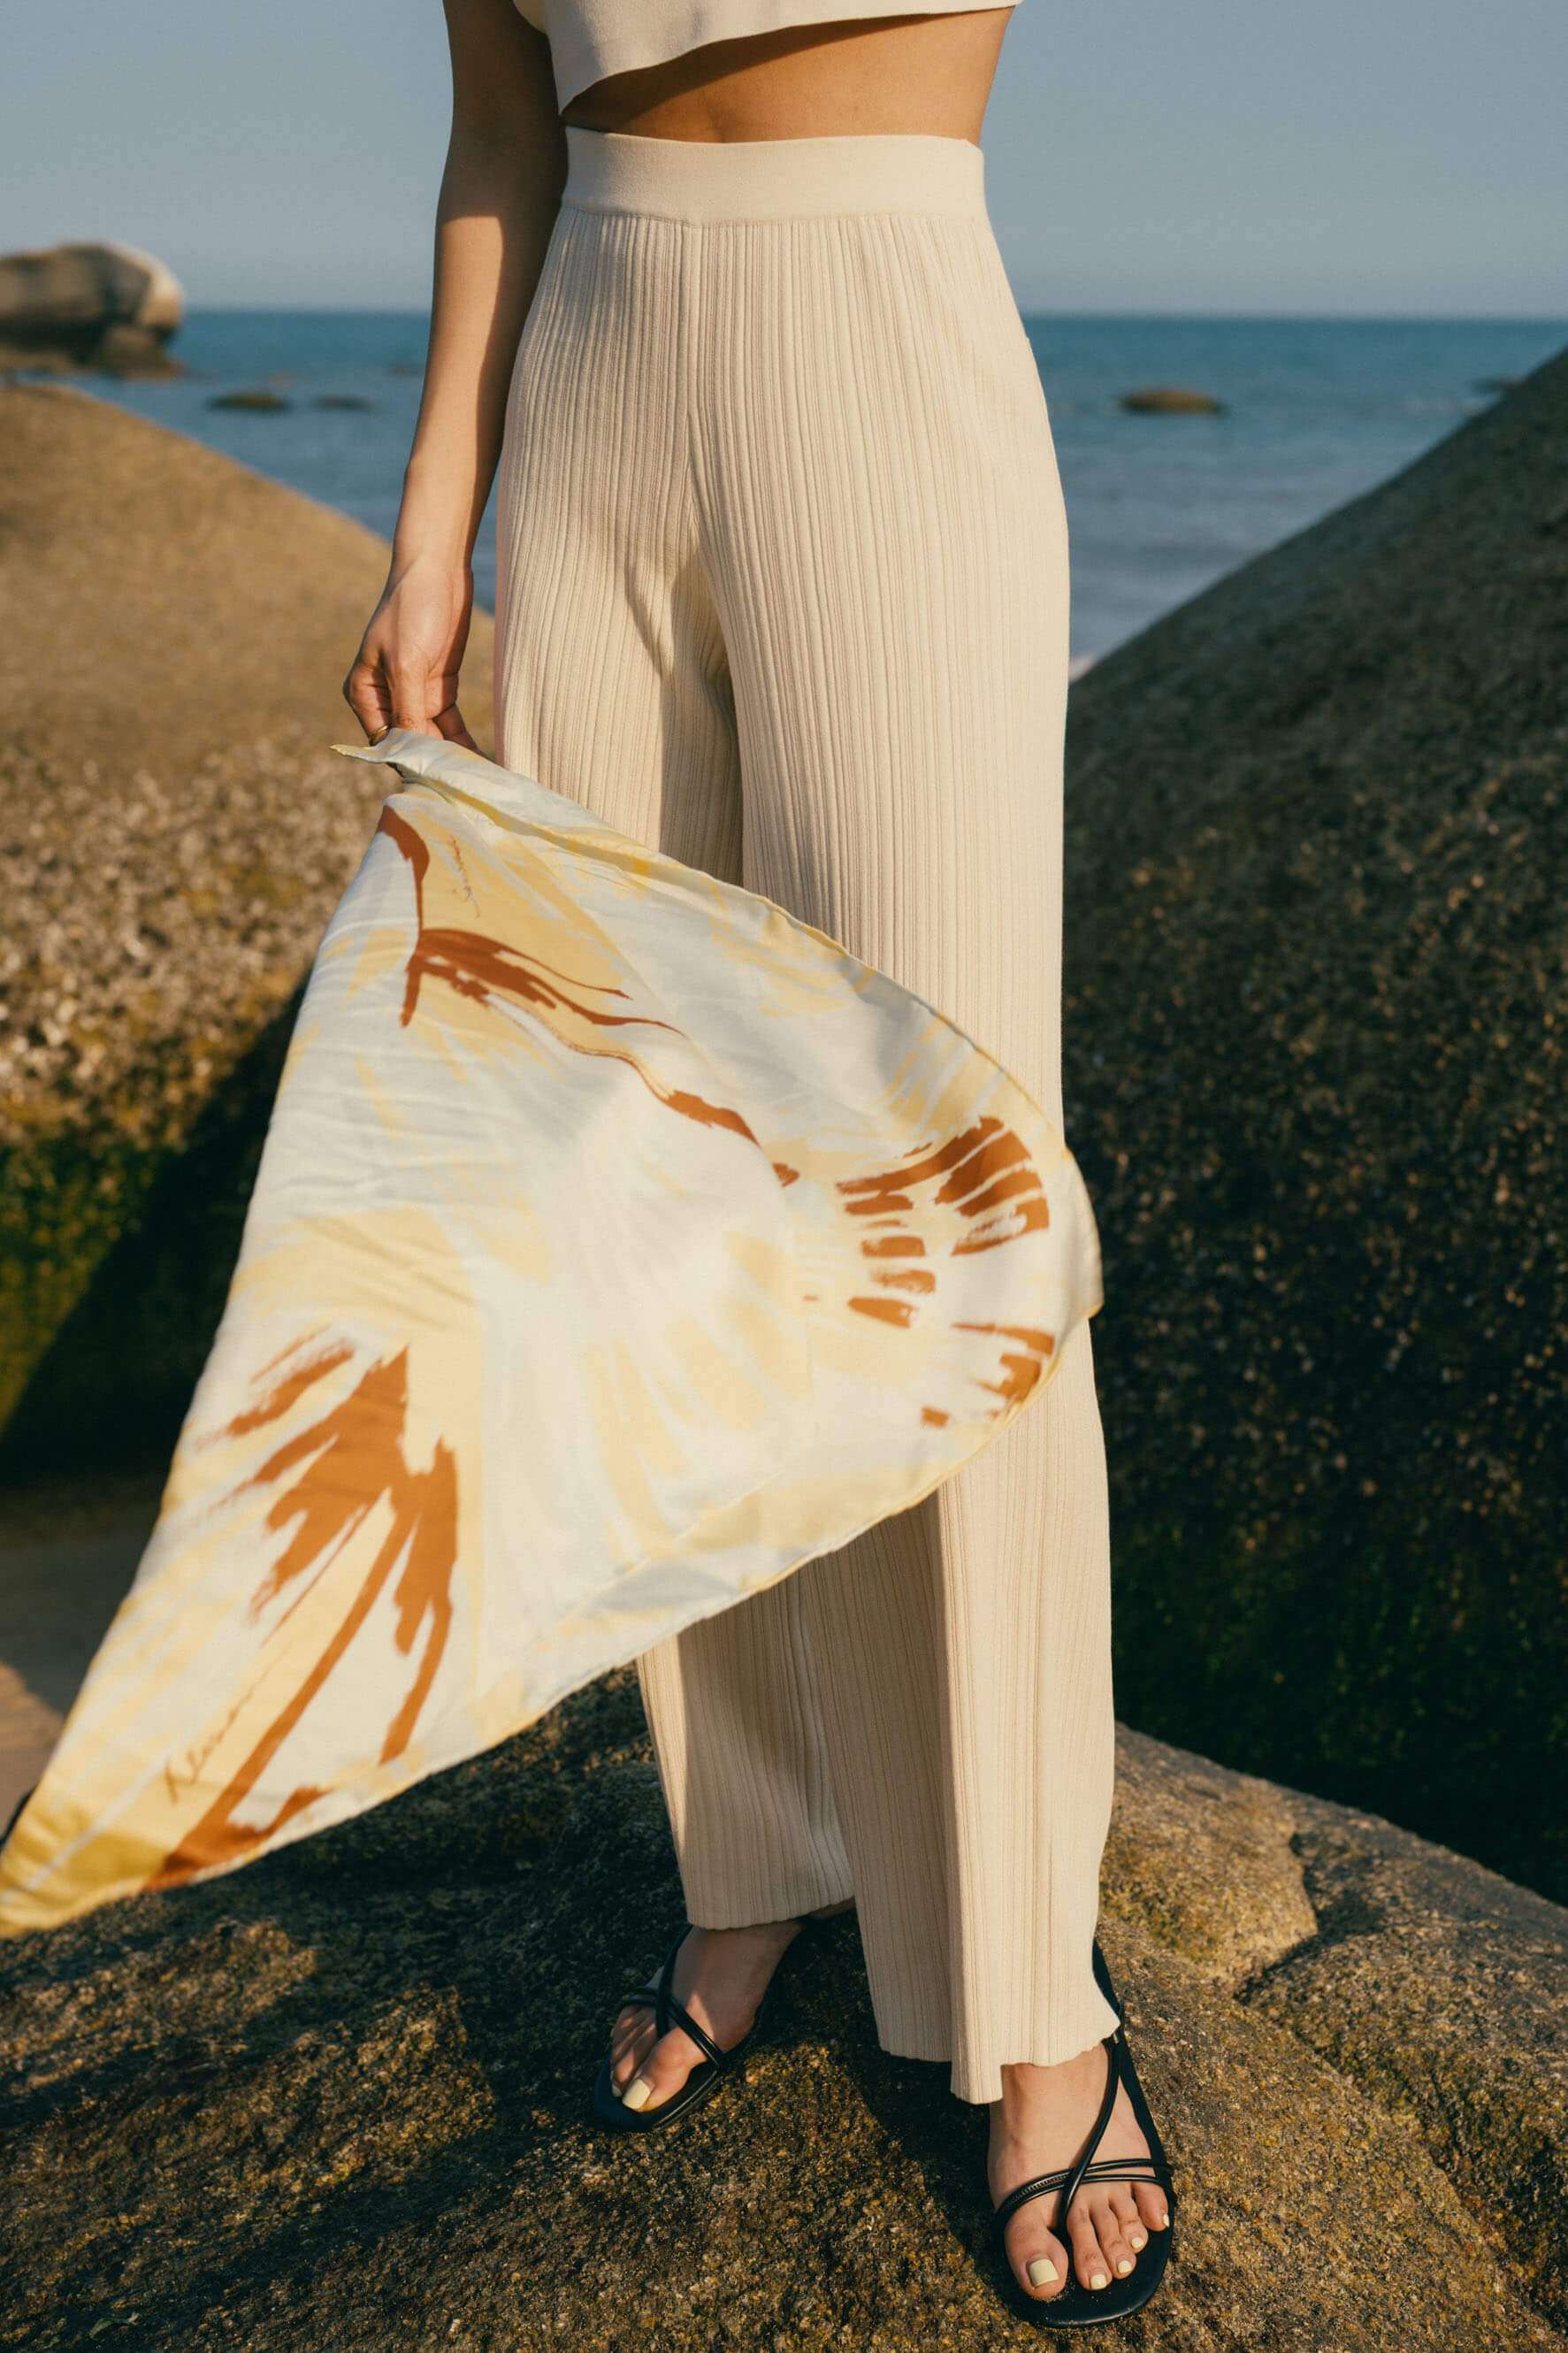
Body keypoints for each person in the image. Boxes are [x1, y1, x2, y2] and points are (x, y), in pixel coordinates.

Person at [345, 0, 1174, 2325]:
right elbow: (500, 115)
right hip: (597, 376)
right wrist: (434, 534)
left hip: (876, 337)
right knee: (662, 1190)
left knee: (955, 1198)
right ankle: (758, 1843)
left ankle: (1034, 1990)